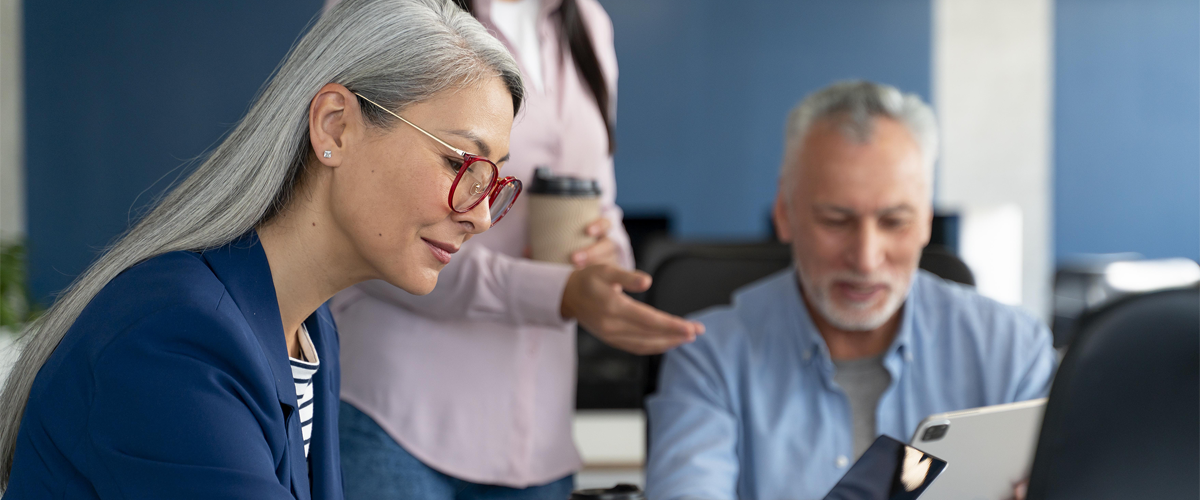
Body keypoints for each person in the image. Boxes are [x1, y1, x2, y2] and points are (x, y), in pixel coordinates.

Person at [0, 0, 526, 497]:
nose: (480, 216)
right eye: (461, 164)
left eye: (494, 182)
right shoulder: (174, 337)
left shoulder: (310, 330)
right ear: (335, 126)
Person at [329, 0, 704, 498]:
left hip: (539, 444)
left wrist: (608, 262)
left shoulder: (588, 23)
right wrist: (559, 294)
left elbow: (597, 202)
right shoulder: (398, 10)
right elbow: (377, 228)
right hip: (397, 422)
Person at [644, 81, 1058, 500]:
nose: (865, 258)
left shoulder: (1013, 350)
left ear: (926, 221)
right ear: (784, 215)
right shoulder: (707, 355)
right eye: (835, 221)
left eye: (894, 221)